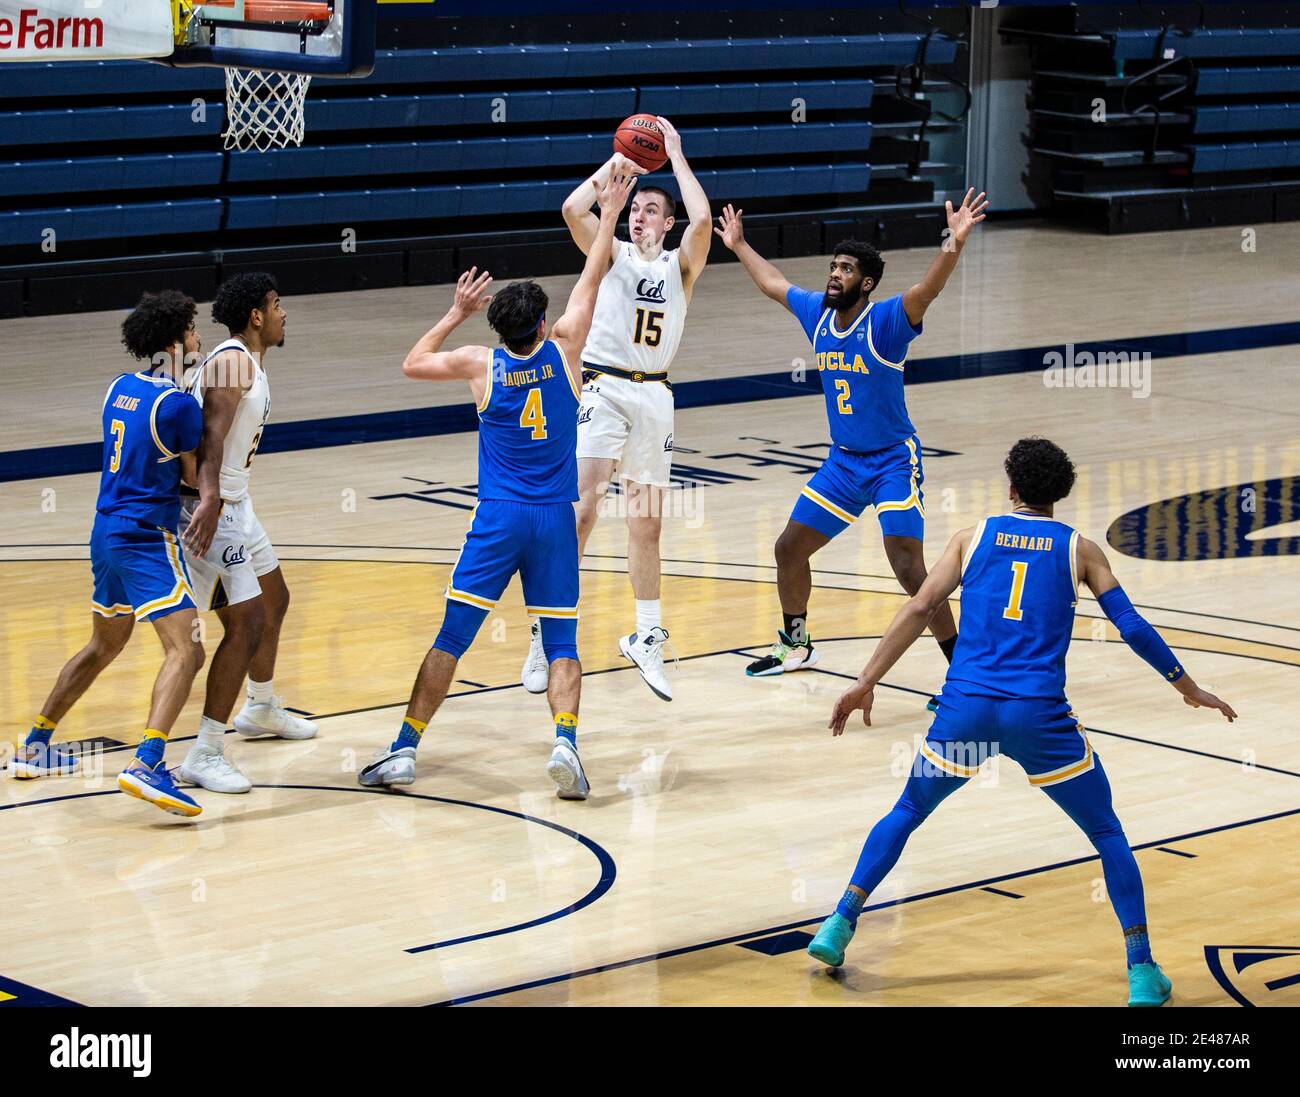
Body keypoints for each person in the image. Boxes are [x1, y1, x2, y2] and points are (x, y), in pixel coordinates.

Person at [808, 437, 1237, 1007]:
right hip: (1039, 716)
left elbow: (919, 608)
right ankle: (1141, 972)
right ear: (1059, 494)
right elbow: (1130, 625)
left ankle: (838, 924)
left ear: (1011, 487)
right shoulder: (1081, 551)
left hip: (967, 711)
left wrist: (866, 681)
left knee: (907, 811)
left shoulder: (972, 537)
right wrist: (1187, 687)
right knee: (1107, 833)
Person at [359, 169, 635, 800]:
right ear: (543, 324)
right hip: (554, 520)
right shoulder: (566, 350)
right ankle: (565, 742)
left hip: (499, 517)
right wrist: (611, 210)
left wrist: (455, 312)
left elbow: (411, 362)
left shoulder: (481, 365)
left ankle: (404, 750)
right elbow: (594, 276)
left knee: (452, 637)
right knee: (562, 639)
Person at [715, 191, 989, 690]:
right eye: (833, 265)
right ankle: (796, 645)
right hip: (843, 464)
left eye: (845, 268)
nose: (834, 274)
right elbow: (774, 284)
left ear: (865, 282)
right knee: (788, 550)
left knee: (908, 567)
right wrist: (737, 244)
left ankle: (964, 675)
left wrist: (955, 240)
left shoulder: (884, 322)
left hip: (891, 463)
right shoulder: (818, 314)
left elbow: (928, 289)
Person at [519, 118, 711, 703]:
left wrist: (673, 154)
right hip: (601, 389)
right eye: (636, 209)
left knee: (646, 523)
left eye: (652, 210)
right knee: (581, 512)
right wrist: (621, 165)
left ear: (667, 222)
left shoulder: (681, 264)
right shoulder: (612, 252)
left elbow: (703, 221)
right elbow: (573, 210)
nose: (640, 216)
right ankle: (544, 634)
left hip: (655, 396)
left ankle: (647, 635)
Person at [15, 290, 216, 818]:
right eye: (193, 330)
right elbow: (192, 479)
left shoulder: (118, 388)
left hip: (103, 532)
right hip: (145, 536)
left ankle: (36, 745)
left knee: (105, 643)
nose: (198, 337)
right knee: (188, 648)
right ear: (174, 340)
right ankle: (148, 761)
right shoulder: (180, 406)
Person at [176, 273, 317, 796]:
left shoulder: (246, 360)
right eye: (277, 305)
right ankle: (205, 751)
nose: (284, 313)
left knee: (275, 598)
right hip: (212, 507)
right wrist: (209, 500)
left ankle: (259, 708)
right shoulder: (233, 360)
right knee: (247, 622)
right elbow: (209, 439)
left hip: (237, 502)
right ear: (256, 315)